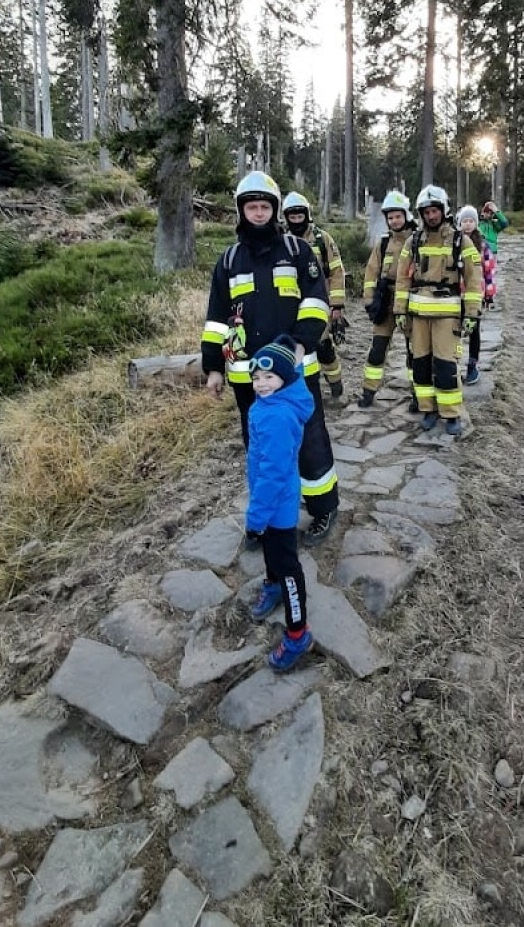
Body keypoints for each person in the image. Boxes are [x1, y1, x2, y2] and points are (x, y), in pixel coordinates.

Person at [201, 171, 339, 547]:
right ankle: (272, 517)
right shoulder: (228, 261)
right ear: (241, 211)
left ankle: (324, 507)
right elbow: (216, 319)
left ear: (274, 210)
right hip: (250, 381)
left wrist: (299, 345)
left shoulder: (297, 251)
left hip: (295, 373)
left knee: (310, 442)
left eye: (265, 206)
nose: (258, 213)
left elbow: (316, 302)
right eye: (252, 206)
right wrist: (213, 367)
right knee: (262, 451)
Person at [245, 334, 314, 672]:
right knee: (272, 555)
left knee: (288, 569)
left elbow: (273, 473)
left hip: (276, 506)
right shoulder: (270, 404)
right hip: (271, 499)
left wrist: (255, 517)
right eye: (256, 377)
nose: (261, 384)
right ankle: (271, 585)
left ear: (285, 377)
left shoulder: (276, 416)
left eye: (269, 377)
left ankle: (298, 633)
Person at [394, 185, 482, 438]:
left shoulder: (460, 240)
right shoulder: (414, 242)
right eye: (426, 212)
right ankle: (428, 409)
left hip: (447, 315)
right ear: (420, 214)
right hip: (418, 316)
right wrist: (400, 311)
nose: (431, 216)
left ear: (443, 211)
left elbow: (474, 278)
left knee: (445, 366)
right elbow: (402, 279)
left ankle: (451, 412)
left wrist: (472, 313)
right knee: (420, 365)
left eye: (435, 211)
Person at [282, 191, 346, 399]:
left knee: (323, 345)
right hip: (290, 304)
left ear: (307, 215)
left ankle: (335, 385)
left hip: (319, 302)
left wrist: (336, 305)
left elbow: (336, 271)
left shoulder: (322, 239)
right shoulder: (280, 240)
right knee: (295, 347)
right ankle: (303, 389)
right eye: (292, 217)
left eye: (300, 216)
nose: (296, 221)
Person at [358, 190, 416, 410]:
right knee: (377, 349)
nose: (394, 221)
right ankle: (368, 391)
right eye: (390, 218)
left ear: (406, 215)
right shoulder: (383, 244)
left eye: (397, 216)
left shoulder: (417, 240)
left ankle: (417, 394)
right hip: (385, 302)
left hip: (410, 304)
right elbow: (371, 273)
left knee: (414, 351)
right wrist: (369, 301)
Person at [455, 206, 493, 385]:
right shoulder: (454, 243)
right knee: (454, 330)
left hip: (475, 294)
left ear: (476, 223)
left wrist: (489, 294)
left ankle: (472, 365)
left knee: (474, 330)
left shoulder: (482, 245)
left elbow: (488, 270)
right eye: (464, 221)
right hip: (456, 295)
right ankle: (453, 365)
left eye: (471, 221)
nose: (468, 224)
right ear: (459, 224)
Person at [479, 201, 509, 307]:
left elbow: (505, 223)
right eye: (485, 212)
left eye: (490, 213)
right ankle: (481, 294)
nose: (487, 214)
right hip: (480, 251)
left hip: (492, 252)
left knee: (490, 274)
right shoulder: (478, 223)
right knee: (480, 273)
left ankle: (489, 295)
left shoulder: (495, 225)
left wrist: (496, 210)